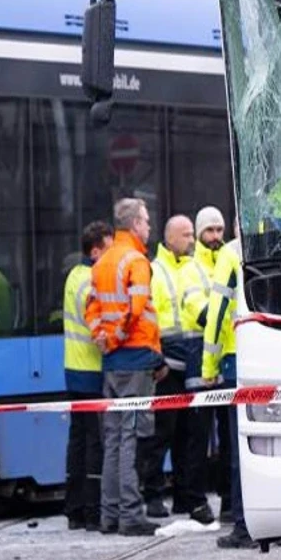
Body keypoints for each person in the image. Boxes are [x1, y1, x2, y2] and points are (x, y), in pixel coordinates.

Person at [86, 197, 164, 536]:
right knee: (131, 437)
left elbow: (89, 308)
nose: (148, 227)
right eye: (146, 221)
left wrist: (101, 338)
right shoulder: (136, 260)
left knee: (114, 438)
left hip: (112, 362)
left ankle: (110, 514)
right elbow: (135, 310)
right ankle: (131, 515)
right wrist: (116, 337)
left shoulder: (102, 262)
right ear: (134, 225)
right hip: (134, 359)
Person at [138, 214, 215, 524]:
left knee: (189, 435)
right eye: (185, 235)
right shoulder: (156, 271)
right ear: (169, 239)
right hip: (168, 364)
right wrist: (157, 360)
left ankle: (184, 496)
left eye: (191, 235)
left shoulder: (195, 268)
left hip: (193, 361)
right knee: (161, 433)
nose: (191, 241)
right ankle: (154, 495)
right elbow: (149, 317)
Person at [173, 206, 229, 524]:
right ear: (199, 233)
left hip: (226, 356)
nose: (216, 237)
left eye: (220, 230)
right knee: (198, 435)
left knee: (228, 433)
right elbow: (202, 312)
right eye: (209, 231)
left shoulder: (227, 263)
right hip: (198, 357)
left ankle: (228, 500)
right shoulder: (189, 272)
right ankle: (195, 501)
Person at [62, 220, 114, 531]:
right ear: (95, 251)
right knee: (95, 443)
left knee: (78, 441)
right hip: (92, 370)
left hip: (74, 369)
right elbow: (99, 327)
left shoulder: (73, 275)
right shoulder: (90, 280)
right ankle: (92, 510)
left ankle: (75, 508)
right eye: (107, 250)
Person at [203, 228, 252, 549]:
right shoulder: (274, 244)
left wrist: (209, 366)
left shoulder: (231, 253)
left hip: (240, 357)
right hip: (277, 353)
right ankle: (278, 525)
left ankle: (244, 525)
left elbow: (218, 313)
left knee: (240, 445)